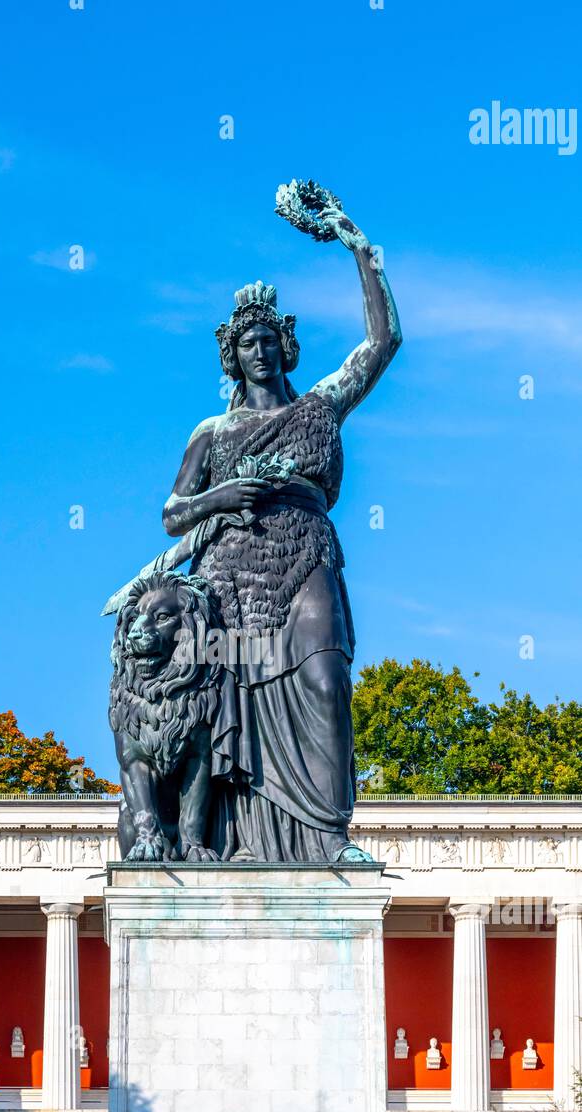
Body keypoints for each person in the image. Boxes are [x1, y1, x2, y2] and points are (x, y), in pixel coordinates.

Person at [162, 191, 402, 864]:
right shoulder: (213, 433)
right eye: (247, 342)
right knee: (232, 709)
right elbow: (172, 514)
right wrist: (224, 494)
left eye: (269, 339)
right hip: (230, 578)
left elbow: (383, 342)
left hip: (306, 552)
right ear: (232, 356)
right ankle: (237, 840)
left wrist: (359, 246)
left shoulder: (322, 405)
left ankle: (329, 835)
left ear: (286, 345)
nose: (260, 350)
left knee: (327, 682)